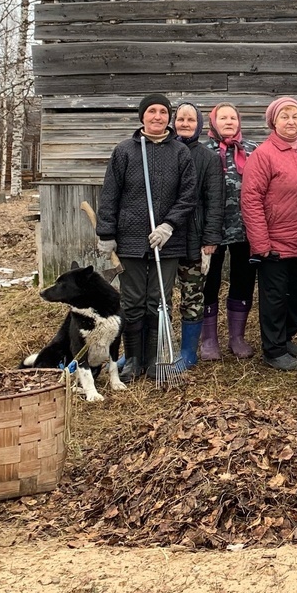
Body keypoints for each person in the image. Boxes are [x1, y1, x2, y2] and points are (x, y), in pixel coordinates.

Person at [95, 93, 198, 383]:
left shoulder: (180, 153)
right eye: (151, 111)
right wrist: (106, 232)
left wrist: (168, 225)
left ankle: (154, 360)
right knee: (133, 300)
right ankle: (134, 359)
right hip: (130, 239)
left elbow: (188, 196)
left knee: (159, 300)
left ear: (169, 118)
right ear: (142, 117)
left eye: (162, 112)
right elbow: (110, 194)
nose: (157, 117)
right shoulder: (125, 151)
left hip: (167, 241)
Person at [241, 96, 297, 372]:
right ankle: (273, 349)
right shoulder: (263, 155)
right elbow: (251, 199)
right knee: (275, 296)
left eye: (295, 116)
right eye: (284, 117)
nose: (291, 121)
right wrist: (260, 242)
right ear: (273, 122)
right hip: (275, 242)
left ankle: (286, 338)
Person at [202, 103, 259, 359]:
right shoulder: (203, 152)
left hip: (246, 230)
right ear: (213, 122)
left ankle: (237, 337)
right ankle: (209, 340)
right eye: (222, 117)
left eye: (232, 117)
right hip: (211, 231)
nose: (228, 121)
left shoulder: (252, 150)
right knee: (209, 281)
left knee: (243, 281)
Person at [171, 102, 224, 370]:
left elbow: (215, 202)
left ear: (199, 124)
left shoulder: (208, 158)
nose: (185, 124)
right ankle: (152, 349)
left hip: (194, 238)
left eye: (191, 120)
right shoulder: (163, 151)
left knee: (192, 295)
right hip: (164, 241)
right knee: (159, 297)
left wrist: (210, 239)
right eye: (180, 119)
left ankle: (188, 352)